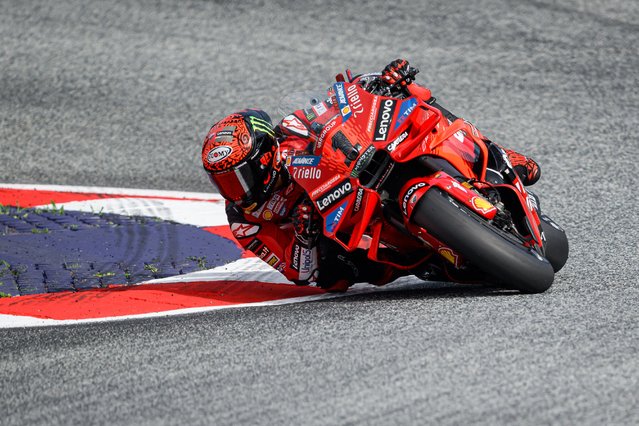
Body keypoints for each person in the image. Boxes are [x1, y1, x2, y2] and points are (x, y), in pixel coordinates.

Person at [201, 59, 541, 291]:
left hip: (357, 176)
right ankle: (434, 248)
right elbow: (302, 274)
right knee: (342, 271)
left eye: (239, 176)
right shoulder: (245, 222)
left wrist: (377, 83)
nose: (235, 190)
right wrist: (304, 237)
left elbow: (339, 107)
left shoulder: (291, 131)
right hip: (337, 237)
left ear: (264, 155)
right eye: (225, 182)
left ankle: (492, 151)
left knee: (416, 103)